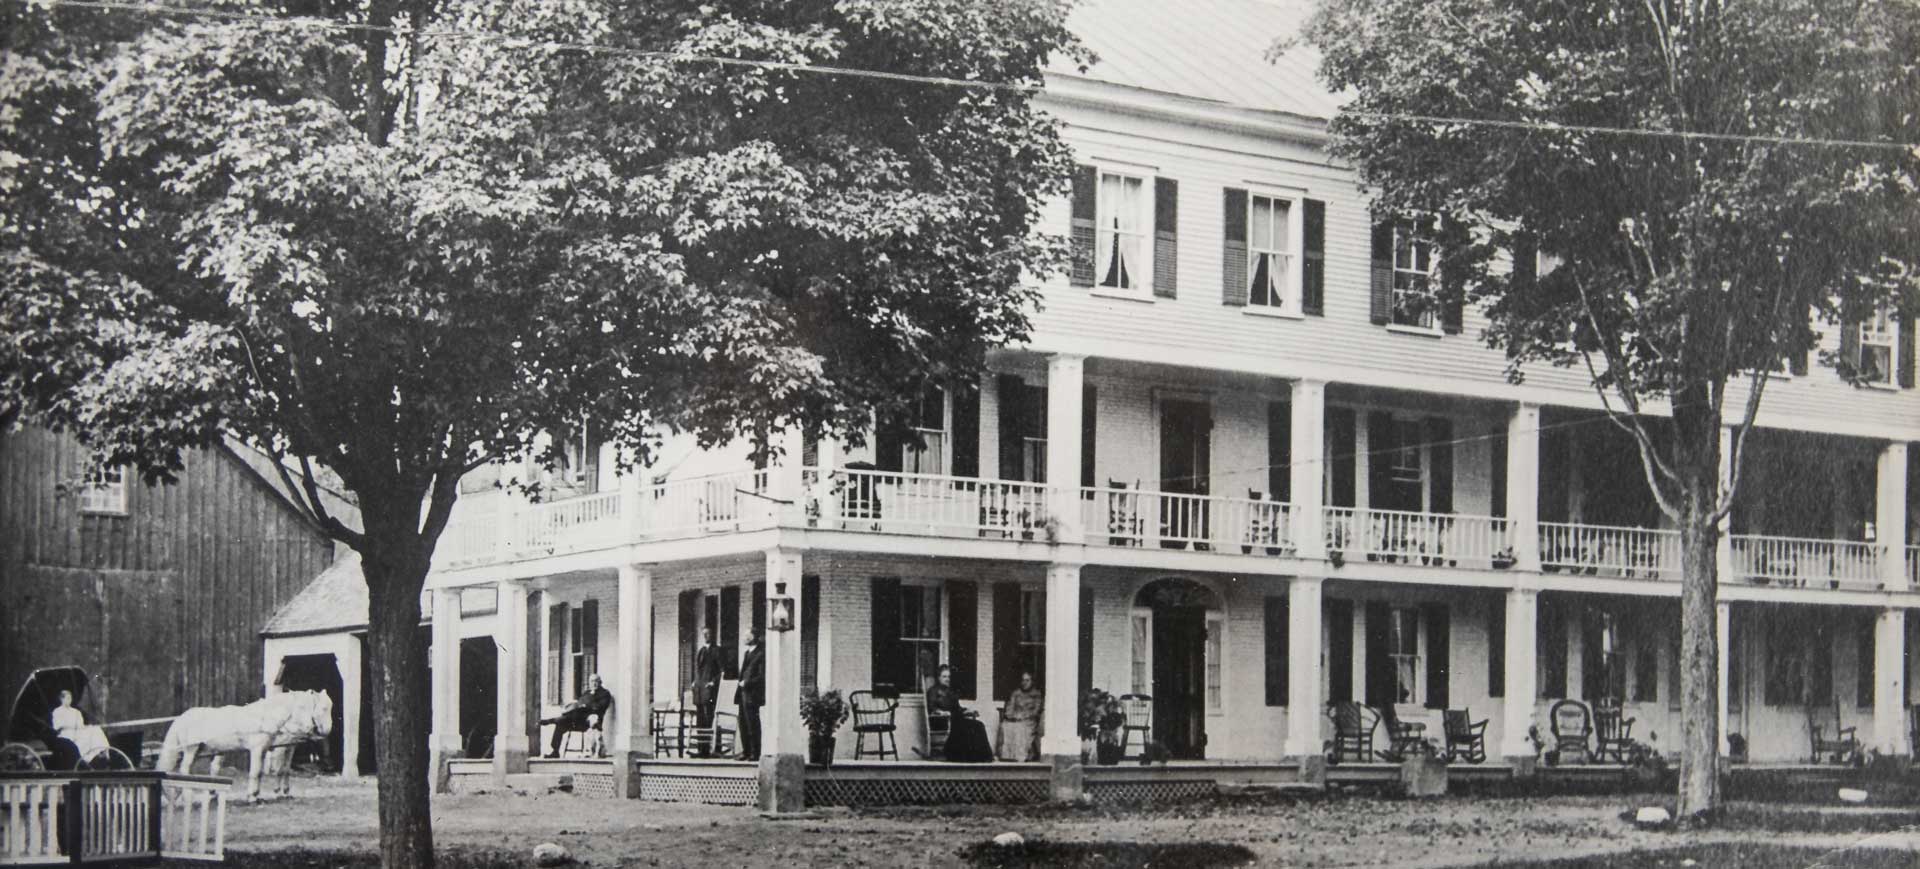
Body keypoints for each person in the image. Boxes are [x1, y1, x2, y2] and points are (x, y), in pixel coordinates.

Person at [925, 665, 993, 763]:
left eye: (948, 677)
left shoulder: (950, 692)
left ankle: (982, 756)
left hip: (955, 720)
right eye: (944, 676)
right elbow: (931, 708)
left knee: (979, 725)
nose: (947, 679)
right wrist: (941, 712)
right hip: (941, 721)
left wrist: (967, 710)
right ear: (938, 677)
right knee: (967, 728)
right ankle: (961, 755)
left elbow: (957, 708)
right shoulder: (933, 692)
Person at [540, 673, 612, 758]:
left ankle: (551, 720)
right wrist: (580, 704)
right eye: (592, 681)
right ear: (589, 683)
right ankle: (555, 752)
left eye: (596, 681)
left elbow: (600, 707)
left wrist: (587, 705)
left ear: (600, 682)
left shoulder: (605, 694)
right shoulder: (587, 693)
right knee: (560, 724)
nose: (594, 683)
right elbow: (579, 703)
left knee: (574, 713)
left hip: (590, 724)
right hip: (577, 720)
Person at [996, 671, 1043, 762]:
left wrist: (1024, 716)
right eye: (1023, 680)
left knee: (1020, 728)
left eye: (1027, 680)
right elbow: (1009, 709)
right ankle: (1008, 756)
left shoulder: (1037, 694)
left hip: (1029, 721)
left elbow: (1036, 711)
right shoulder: (1016, 693)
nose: (1024, 683)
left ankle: (1020, 756)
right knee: (1005, 726)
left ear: (1032, 681)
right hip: (1015, 719)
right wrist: (1013, 716)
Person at [691, 627, 723, 756]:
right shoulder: (701, 651)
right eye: (703, 634)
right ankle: (700, 748)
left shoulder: (717, 650)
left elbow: (721, 671)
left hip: (710, 690)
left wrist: (713, 682)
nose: (705, 636)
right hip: (699, 690)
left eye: (708, 634)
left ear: (712, 635)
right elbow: (698, 669)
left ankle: (708, 749)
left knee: (708, 718)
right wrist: (694, 681)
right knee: (700, 719)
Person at [734, 633, 764, 761]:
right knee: (743, 723)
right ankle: (746, 751)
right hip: (742, 694)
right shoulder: (747, 653)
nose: (744, 637)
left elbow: (762, 676)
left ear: (754, 638)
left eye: (748, 635)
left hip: (752, 694)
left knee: (753, 724)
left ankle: (755, 753)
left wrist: (747, 682)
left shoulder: (761, 654)